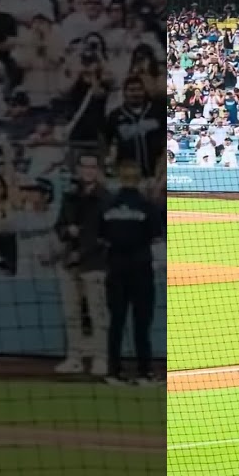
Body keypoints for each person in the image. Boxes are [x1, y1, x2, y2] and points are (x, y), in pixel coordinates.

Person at [100, 160, 161, 387]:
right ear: (139, 180)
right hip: (141, 269)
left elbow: (102, 237)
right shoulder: (147, 206)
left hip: (115, 268)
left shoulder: (107, 205)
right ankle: (144, 373)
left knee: (116, 322)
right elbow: (155, 238)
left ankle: (113, 373)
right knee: (141, 324)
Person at [52, 153, 112, 377]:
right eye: (84, 166)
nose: (88, 171)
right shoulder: (70, 196)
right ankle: (74, 358)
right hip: (70, 263)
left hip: (94, 263)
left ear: (97, 170)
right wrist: (68, 232)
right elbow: (59, 226)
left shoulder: (106, 198)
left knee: (98, 314)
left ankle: (100, 358)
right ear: (78, 170)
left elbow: (105, 235)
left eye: (92, 167)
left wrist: (81, 249)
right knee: (71, 314)